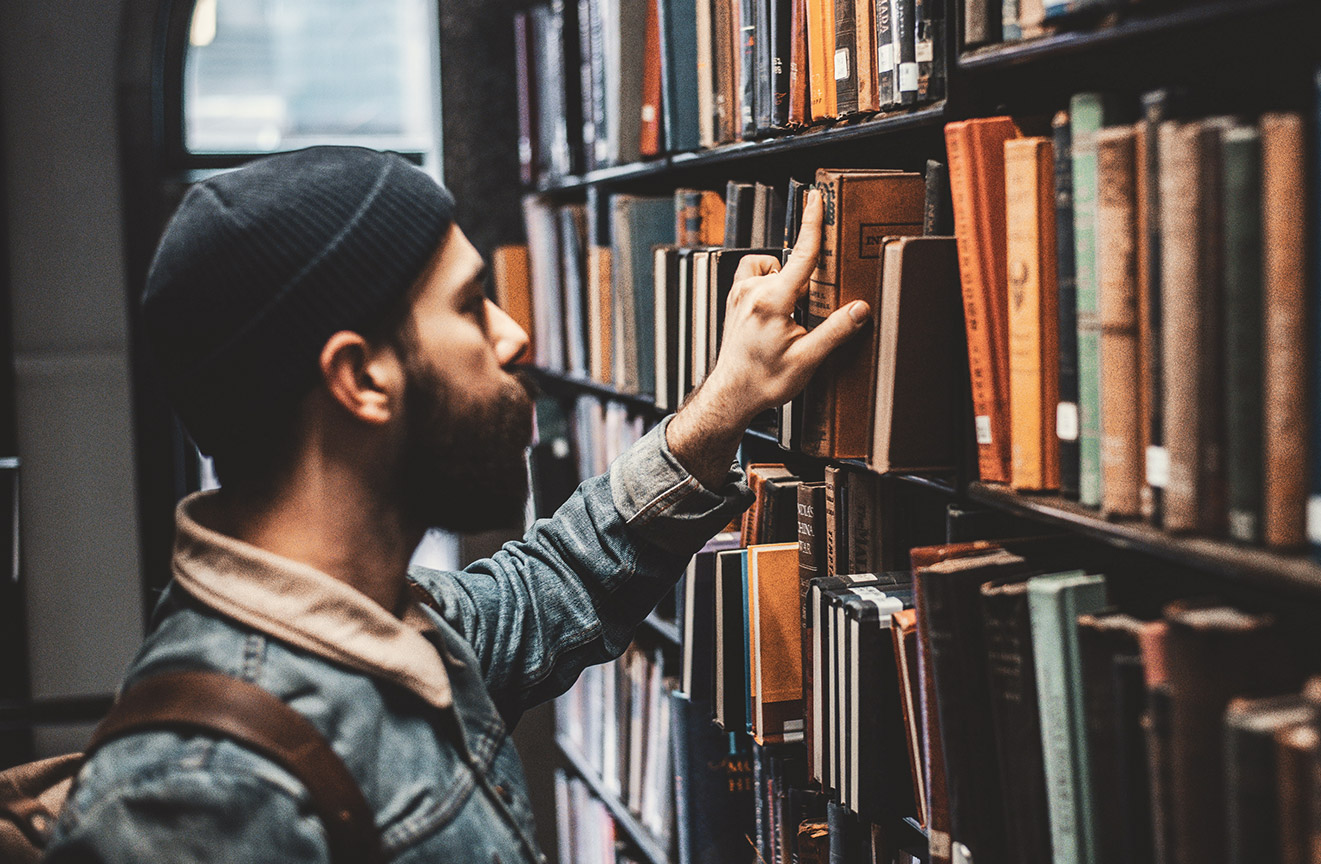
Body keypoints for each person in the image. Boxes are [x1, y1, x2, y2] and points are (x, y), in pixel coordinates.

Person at [44, 146, 868, 862]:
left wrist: (725, 403)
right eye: (472, 306)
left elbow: (565, 578)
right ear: (361, 378)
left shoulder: (397, 626)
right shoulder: (197, 795)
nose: (513, 337)